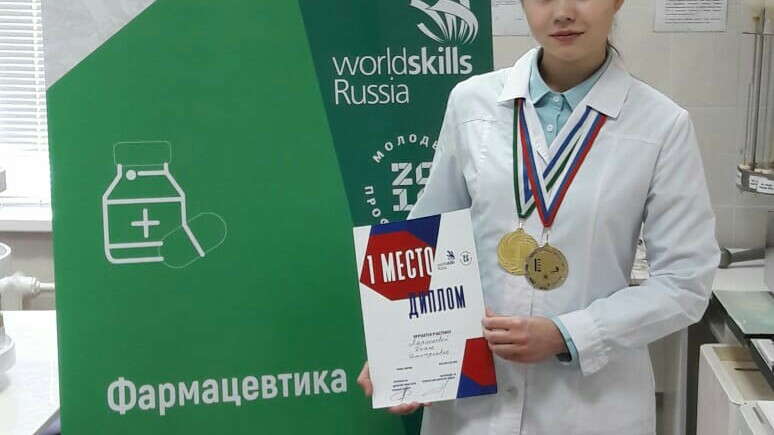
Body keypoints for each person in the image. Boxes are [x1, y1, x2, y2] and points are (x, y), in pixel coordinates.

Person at [357, 0, 719, 433]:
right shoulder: (471, 102)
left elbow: (685, 282)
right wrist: (400, 351)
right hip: (475, 407)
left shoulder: (661, 124)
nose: (562, 12)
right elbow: (422, 240)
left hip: (590, 408)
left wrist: (569, 333)